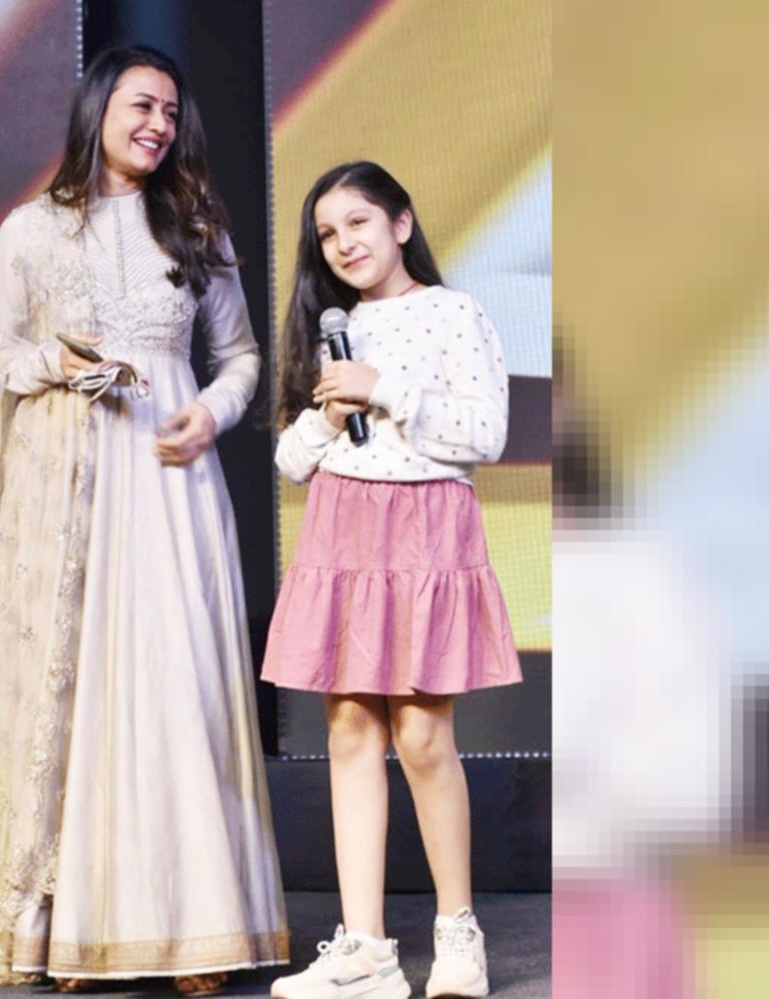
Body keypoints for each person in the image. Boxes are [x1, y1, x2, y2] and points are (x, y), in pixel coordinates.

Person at [0, 45, 288, 993]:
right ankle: (74, 932)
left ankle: (198, 930)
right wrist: (52, 363)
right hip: (66, 495)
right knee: (80, 692)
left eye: (172, 112)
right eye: (143, 105)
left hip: (171, 484)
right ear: (98, 109)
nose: (160, 125)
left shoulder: (197, 226)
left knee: (177, 683)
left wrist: (210, 412)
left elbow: (242, 357)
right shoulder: (30, 233)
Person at [261, 162, 522, 999]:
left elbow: (485, 432)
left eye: (358, 222)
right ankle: (366, 950)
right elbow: (290, 459)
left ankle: (457, 934)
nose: (343, 244)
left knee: (420, 733)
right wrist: (328, 412)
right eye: (327, 234)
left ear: (401, 224)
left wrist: (385, 387)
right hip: (342, 523)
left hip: (424, 525)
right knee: (349, 731)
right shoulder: (326, 330)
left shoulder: (452, 311)